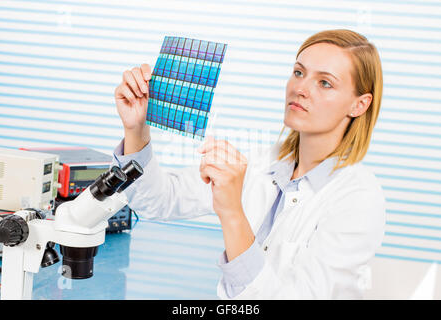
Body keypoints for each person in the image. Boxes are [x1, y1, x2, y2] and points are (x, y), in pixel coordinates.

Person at [111, 29, 386, 299]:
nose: (300, 88)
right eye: (299, 72)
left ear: (359, 105)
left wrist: (232, 213)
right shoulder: (261, 163)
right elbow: (158, 201)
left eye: (325, 83)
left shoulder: (359, 198)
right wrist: (135, 129)